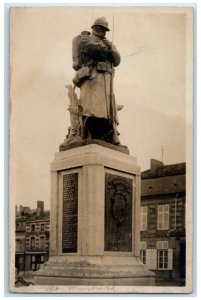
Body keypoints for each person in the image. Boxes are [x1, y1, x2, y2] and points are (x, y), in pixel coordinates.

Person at [72, 17, 122, 145]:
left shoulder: (107, 43)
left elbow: (117, 61)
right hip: (92, 78)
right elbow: (94, 49)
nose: (104, 32)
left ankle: (105, 135)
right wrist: (108, 48)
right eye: (102, 29)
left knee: (106, 111)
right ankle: (89, 134)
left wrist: (111, 48)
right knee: (92, 109)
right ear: (95, 28)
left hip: (106, 80)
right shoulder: (85, 38)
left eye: (105, 30)